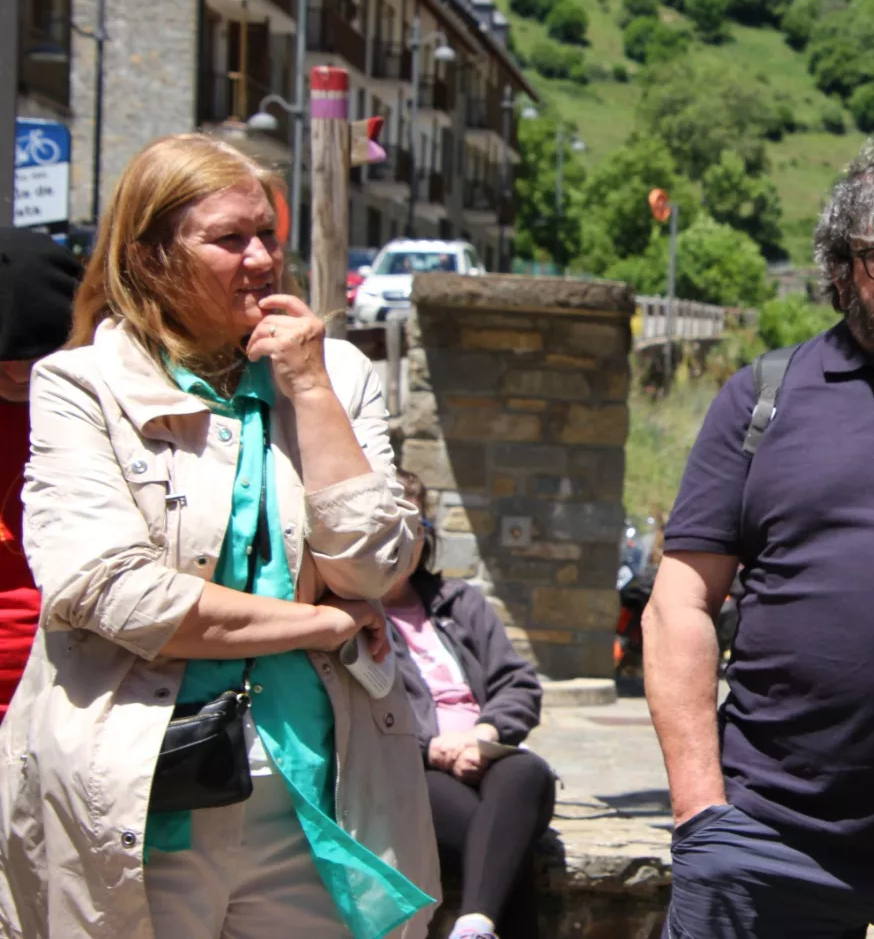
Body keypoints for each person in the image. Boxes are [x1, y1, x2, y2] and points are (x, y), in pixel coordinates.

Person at [0, 134, 439, 939]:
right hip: (138, 797)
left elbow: (376, 567)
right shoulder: (81, 385)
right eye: (230, 239)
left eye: (268, 234)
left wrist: (307, 389)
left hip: (319, 797)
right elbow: (109, 590)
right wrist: (323, 625)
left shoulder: (335, 373)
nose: (263, 259)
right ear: (150, 256)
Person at [644, 139, 874, 938]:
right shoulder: (764, 399)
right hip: (770, 844)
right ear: (841, 273)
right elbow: (680, 603)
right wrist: (701, 811)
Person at [386, 468, 556, 939]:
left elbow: (518, 683)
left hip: (483, 752)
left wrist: (484, 736)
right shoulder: (351, 616)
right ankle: (479, 923)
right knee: (503, 839)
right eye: (389, 527)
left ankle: (475, 925)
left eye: (414, 528)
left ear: (426, 536)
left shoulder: (459, 602)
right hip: (411, 767)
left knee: (527, 772)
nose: (403, 541)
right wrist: (431, 746)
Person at [0, 229, 83, 721]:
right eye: (1, 362)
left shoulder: (100, 402)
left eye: (30, 360)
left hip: (74, 679)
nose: (14, 377)